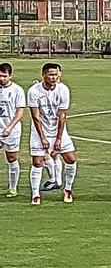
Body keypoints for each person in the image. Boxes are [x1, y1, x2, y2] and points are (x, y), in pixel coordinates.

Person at [27, 62, 77, 205]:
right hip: (39, 131)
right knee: (37, 162)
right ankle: (35, 195)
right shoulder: (34, 91)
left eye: (56, 74)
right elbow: (35, 116)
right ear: (43, 75)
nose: (54, 77)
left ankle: (68, 189)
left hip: (58, 130)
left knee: (71, 159)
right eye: (50, 75)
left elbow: (62, 115)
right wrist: (42, 137)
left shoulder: (63, 90)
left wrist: (59, 138)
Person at [0, 62, 25, 198]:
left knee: (11, 158)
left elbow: (20, 111)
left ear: (10, 75)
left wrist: (10, 127)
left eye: (4, 76)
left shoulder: (17, 90)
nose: (1, 79)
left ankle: (13, 188)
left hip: (11, 130)